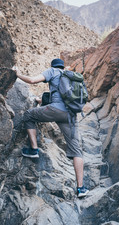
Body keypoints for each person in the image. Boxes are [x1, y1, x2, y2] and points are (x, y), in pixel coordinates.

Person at [14, 58, 89, 198]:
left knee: (29, 115)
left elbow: (32, 80)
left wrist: (17, 74)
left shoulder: (52, 71)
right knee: (76, 150)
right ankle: (81, 188)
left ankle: (33, 149)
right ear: (62, 66)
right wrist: (41, 101)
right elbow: (63, 95)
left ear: (53, 66)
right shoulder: (70, 76)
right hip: (71, 115)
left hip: (56, 111)